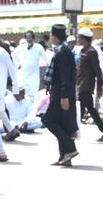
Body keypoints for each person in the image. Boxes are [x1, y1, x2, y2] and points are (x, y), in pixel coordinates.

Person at [42, 24, 79, 166]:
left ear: (55, 36)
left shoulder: (62, 52)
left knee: (48, 120)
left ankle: (70, 148)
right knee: (61, 123)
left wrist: (64, 96)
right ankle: (65, 156)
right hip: (61, 92)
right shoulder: (63, 50)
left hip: (60, 94)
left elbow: (65, 76)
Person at [76, 28, 103, 142]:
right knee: (90, 109)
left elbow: (97, 71)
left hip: (86, 85)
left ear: (84, 39)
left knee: (82, 109)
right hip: (80, 84)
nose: (78, 39)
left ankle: (73, 131)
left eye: (79, 38)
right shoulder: (83, 51)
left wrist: (100, 88)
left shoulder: (91, 52)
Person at [17, 29, 46, 107]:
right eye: (27, 37)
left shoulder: (38, 47)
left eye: (30, 37)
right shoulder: (21, 47)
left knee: (33, 97)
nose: (29, 39)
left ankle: (32, 114)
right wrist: (17, 65)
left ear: (33, 38)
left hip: (34, 76)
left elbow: (46, 58)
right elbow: (13, 56)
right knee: (23, 95)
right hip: (23, 76)